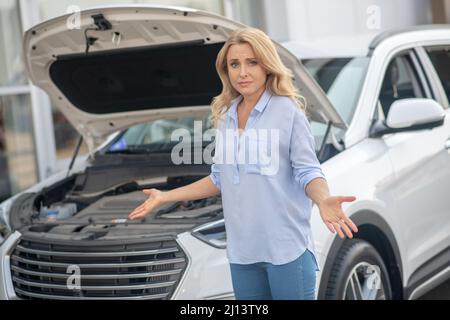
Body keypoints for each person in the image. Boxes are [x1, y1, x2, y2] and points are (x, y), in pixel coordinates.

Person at [128, 27, 358, 300]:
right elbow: (219, 178)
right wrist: (165, 196)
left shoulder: (288, 112)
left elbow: (308, 171)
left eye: (252, 62)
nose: (242, 72)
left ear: (267, 65)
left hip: (286, 250)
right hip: (243, 254)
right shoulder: (226, 115)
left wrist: (323, 200)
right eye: (234, 64)